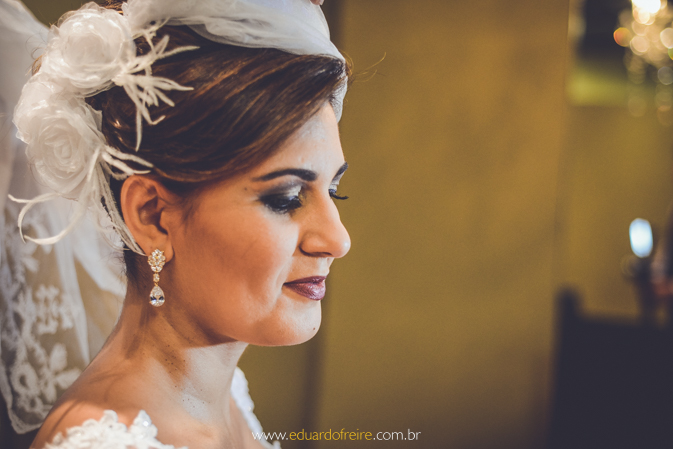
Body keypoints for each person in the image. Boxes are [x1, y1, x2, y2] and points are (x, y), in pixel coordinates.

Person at [2, 0, 351, 447]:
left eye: (334, 190)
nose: (337, 239)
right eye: (286, 199)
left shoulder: (227, 393)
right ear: (152, 216)